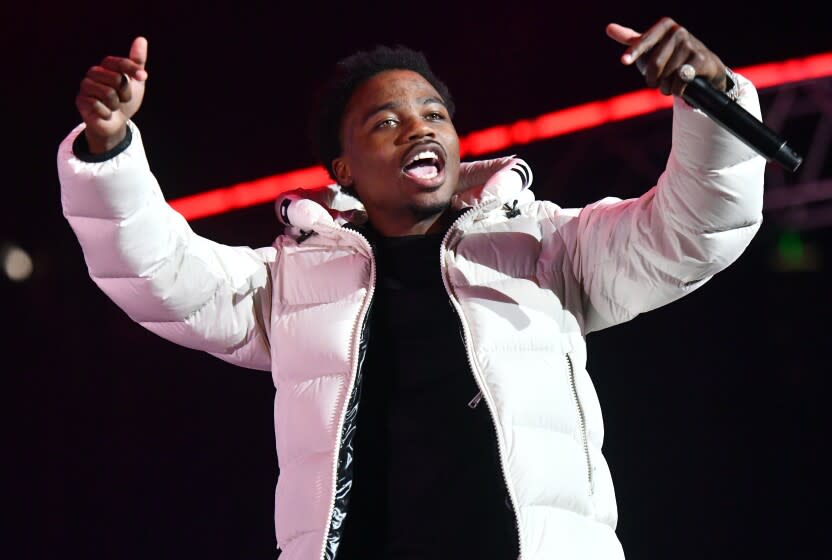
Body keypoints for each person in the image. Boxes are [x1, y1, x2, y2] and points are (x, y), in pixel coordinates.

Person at [58, 17, 765, 560]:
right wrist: (110, 151)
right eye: (386, 123)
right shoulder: (297, 281)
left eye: (433, 115)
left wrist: (710, 100)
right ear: (344, 167)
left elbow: (691, 231)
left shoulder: (543, 247)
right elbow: (159, 274)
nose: (418, 128)